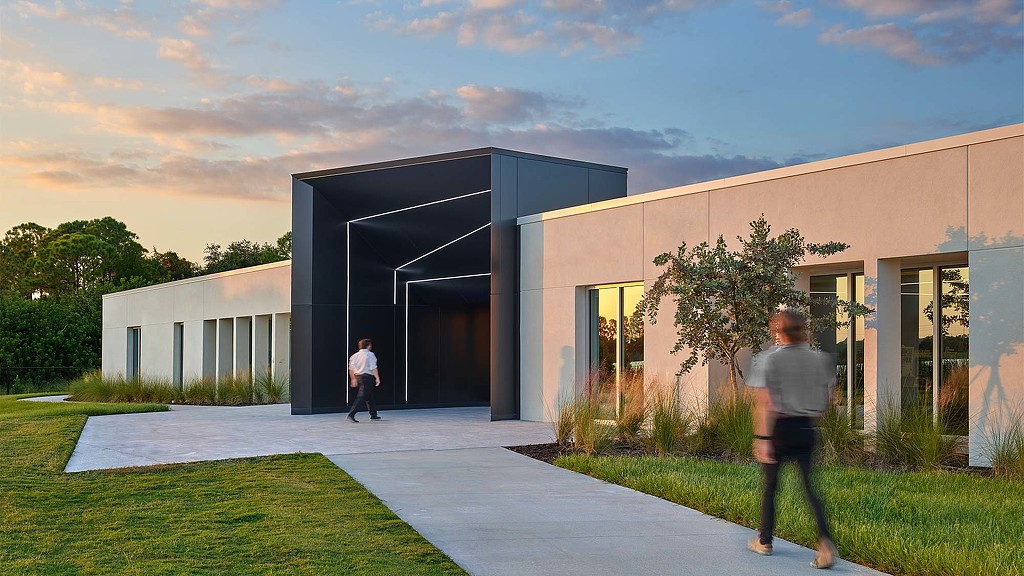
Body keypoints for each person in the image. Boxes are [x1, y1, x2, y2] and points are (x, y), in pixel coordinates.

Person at [746, 309, 837, 569]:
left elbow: (766, 403)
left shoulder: (769, 360)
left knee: (771, 487)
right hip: (807, 428)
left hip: (780, 429)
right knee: (810, 488)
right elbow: (825, 403)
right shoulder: (820, 360)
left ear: (779, 332)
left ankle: (764, 541)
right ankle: (825, 541)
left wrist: (763, 439)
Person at [347, 338, 381, 423]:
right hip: (366, 377)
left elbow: (351, 369)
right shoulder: (370, 355)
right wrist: (377, 378)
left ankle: (373, 414)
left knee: (369, 396)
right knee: (362, 396)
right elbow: (373, 367)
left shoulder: (354, 356)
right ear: (368, 346)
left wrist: (353, 379)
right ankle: (351, 414)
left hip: (358, 376)